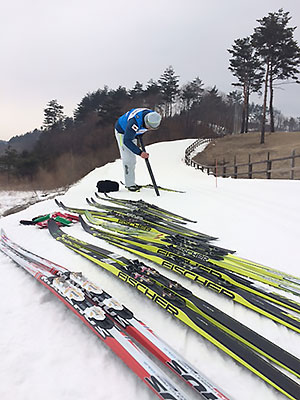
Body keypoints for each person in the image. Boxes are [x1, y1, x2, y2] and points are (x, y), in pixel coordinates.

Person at [114, 108, 162, 191]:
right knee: (129, 160)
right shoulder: (134, 123)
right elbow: (127, 141)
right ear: (145, 122)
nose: (149, 129)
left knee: (132, 159)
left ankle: (130, 181)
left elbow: (141, 129)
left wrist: (139, 134)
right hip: (123, 133)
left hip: (133, 133)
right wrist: (140, 153)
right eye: (149, 127)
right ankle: (130, 184)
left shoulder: (153, 116)